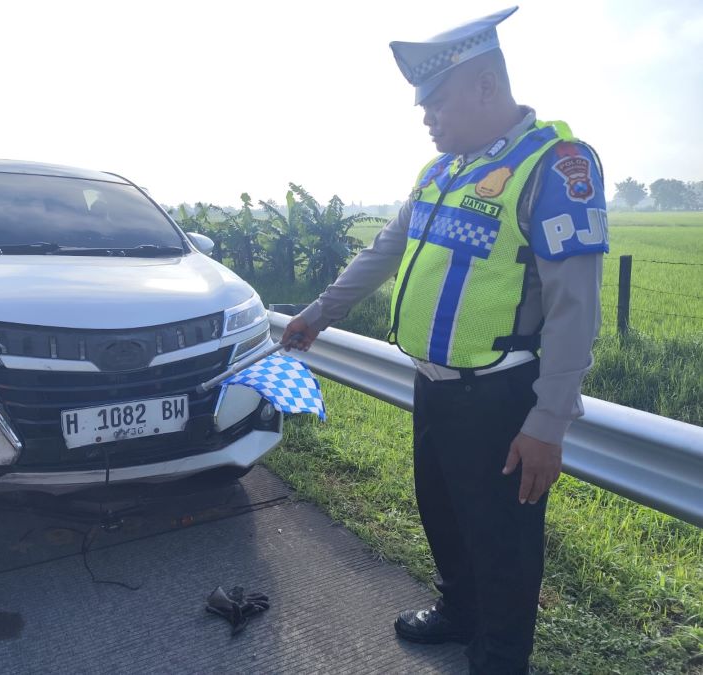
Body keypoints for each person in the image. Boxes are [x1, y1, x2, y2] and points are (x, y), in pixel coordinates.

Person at [281, 6, 608, 674]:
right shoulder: (440, 172)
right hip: (433, 385)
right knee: (445, 513)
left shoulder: (555, 166)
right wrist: (318, 312)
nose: (426, 116)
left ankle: (501, 654)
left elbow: (576, 306)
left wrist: (547, 421)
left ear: (486, 86)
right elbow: (383, 251)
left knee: (503, 539)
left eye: (437, 100)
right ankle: (460, 611)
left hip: (500, 395)